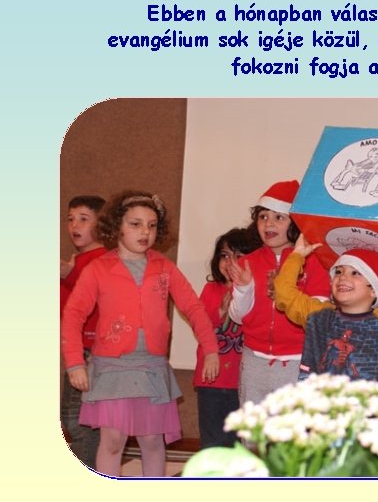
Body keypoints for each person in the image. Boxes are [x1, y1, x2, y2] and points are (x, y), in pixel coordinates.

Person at [61, 191, 219, 477]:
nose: (145, 231)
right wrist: (75, 363)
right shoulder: (98, 268)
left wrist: (210, 350)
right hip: (112, 369)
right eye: (135, 224)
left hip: (151, 368)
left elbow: (194, 308)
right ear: (117, 226)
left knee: (152, 441)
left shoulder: (164, 267)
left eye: (151, 225)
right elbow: (73, 315)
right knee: (112, 441)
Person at [274, 235, 378, 381]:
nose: (342, 277)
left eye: (355, 273)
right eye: (339, 272)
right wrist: (297, 256)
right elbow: (284, 295)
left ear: (374, 290)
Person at [227, 180, 330, 404]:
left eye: (279, 217)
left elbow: (318, 318)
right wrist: (244, 288)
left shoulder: (315, 263)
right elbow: (237, 317)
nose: (268, 224)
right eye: (263, 217)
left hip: (298, 361)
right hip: (254, 361)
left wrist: (287, 292)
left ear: (295, 223)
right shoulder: (247, 262)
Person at [194, 227, 261, 449]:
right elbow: (200, 327)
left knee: (241, 442)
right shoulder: (211, 289)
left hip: (243, 381)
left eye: (239, 256)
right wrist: (221, 312)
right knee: (213, 441)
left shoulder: (257, 292)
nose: (230, 262)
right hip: (212, 379)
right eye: (224, 255)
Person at [60, 195, 107, 468]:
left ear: (101, 225)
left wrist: (69, 275)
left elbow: (93, 298)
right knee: (71, 418)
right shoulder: (77, 260)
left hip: (89, 351)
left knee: (79, 421)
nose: (74, 225)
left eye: (83, 219)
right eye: (70, 219)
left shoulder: (102, 260)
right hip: (74, 348)